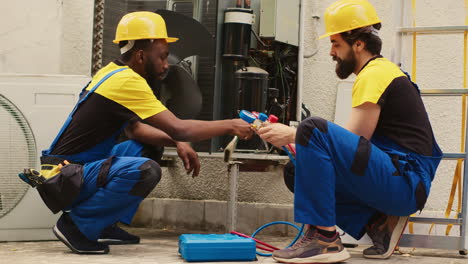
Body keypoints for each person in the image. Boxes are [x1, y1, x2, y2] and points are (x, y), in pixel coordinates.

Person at [33, 11, 252, 255]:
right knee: (145, 170)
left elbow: (134, 129)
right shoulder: (127, 81)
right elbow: (180, 127)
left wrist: (177, 141)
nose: (166, 64)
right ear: (140, 55)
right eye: (162, 57)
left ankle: (102, 223)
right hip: (65, 178)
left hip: (73, 170)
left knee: (148, 146)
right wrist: (232, 125)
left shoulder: (112, 71)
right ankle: (76, 227)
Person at [257, 1, 442, 263]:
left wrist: (293, 134)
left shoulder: (375, 74)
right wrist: (304, 149)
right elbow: (351, 152)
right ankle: (379, 224)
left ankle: (325, 240)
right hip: (399, 178)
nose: (331, 51)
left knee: (312, 128)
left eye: (336, 43)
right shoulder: (377, 73)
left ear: (358, 44)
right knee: (296, 169)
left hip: (405, 181)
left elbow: (357, 139)